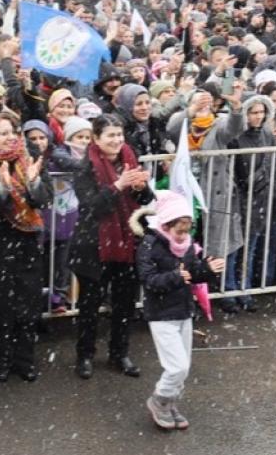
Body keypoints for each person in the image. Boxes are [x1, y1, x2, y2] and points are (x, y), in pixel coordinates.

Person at [68, 114, 154, 379]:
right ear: (96, 139)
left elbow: (146, 199)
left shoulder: (130, 158)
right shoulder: (86, 167)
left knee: (124, 303)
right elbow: (91, 206)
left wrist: (140, 188)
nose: (117, 140)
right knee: (90, 305)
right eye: (110, 136)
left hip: (127, 241)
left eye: (119, 134)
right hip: (94, 245)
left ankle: (120, 353)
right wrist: (118, 185)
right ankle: (85, 355)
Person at [129, 192, 225, 430]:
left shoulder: (188, 246)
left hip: (183, 310)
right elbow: (149, 280)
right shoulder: (150, 245)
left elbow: (194, 273)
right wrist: (174, 277)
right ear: (165, 225)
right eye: (179, 231)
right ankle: (159, 400)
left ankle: (170, 402)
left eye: (187, 231)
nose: (183, 236)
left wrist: (208, 268)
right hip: (161, 314)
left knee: (184, 366)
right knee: (176, 366)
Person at [0, 112, 52, 382]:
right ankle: (0, 360)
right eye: (2, 133)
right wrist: (2, 190)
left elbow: (44, 199)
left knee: (27, 306)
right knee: (0, 308)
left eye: (12, 132)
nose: (9, 138)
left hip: (26, 242)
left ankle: (25, 360)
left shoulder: (30, 160)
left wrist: (33, 183)